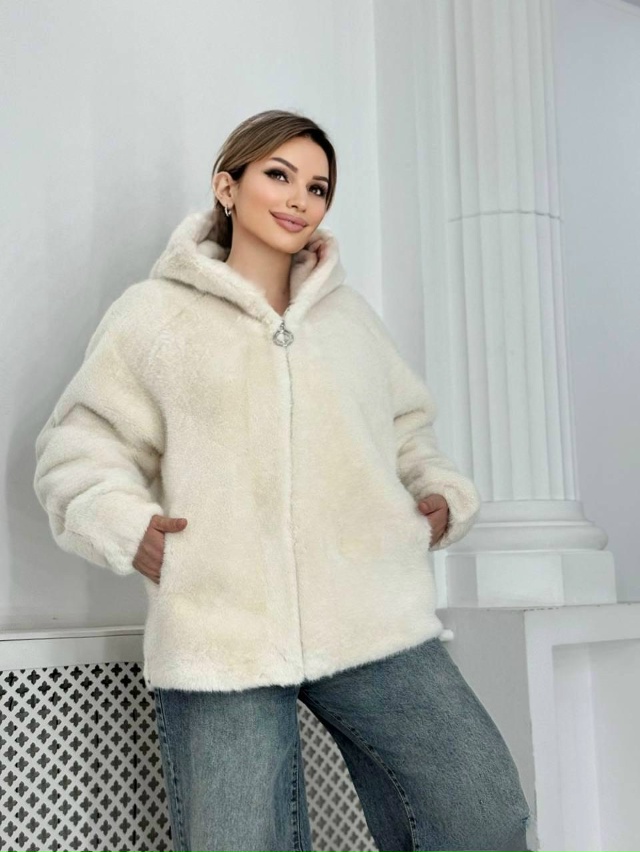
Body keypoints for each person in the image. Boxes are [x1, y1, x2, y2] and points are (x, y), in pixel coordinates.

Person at [33, 109, 532, 851]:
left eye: (318, 187)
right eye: (279, 175)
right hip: (222, 628)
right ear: (226, 187)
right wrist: (129, 529)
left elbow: (406, 429)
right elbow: (77, 446)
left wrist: (435, 496)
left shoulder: (350, 321)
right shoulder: (154, 317)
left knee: (480, 811)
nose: (300, 198)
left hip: (372, 608)